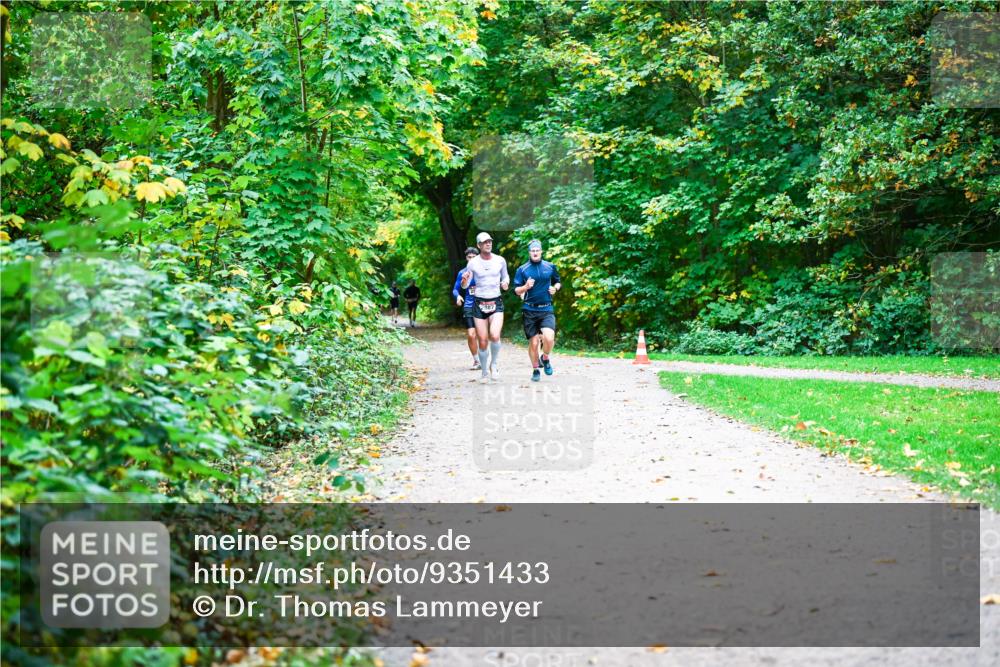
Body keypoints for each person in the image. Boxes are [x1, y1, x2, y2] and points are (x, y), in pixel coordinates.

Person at [461, 232, 509, 382]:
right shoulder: (472, 263)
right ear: (479, 245)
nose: (488, 244)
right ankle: (484, 372)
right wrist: (464, 281)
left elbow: (505, 276)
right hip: (479, 303)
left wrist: (505, 283)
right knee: (482, 341)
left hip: (496, 301)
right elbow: (465, 285)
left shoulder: (500, 260)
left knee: (494, 335)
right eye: (485, 242)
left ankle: (493, 365)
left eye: (490, 241)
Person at [513, 239, 561, 382]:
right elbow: (516, 290)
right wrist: (525, 287)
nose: (535, 253)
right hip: (529, 309)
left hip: (546, 308)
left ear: (541, 251)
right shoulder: (522, 269)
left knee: (549, 338)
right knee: (533, 343)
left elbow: (558, 282)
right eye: (532, 251)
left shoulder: (550, 266)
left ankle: (545, 358)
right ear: (529, 253)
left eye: (537, 250)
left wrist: (555, 288)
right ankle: (535, 369)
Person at [453, 247, 481, 370]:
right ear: (466, 258)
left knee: (483, 335)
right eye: (469, 257)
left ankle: (484, 357)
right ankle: (476, 360)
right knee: (471, 334)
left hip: (483, 305)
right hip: (469, 305)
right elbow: (455, 289)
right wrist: (458, 296)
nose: (471, 259)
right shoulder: (462, 273)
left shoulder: (484, 271)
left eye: (474, 257)